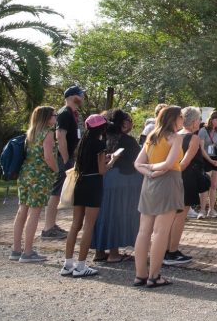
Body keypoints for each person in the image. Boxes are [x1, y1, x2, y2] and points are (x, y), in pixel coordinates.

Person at [133, 105, 183, 289]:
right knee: (160, 232)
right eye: (180, 118)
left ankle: (140, 274)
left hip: (149, 184)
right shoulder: (175, 138)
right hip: (168, 183)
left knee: (144, 231)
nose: (182, 122)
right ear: (173, 119)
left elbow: (137, 163)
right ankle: (154, 276)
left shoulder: (151, 137)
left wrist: (149, 171)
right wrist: (154, 169)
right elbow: (170, 164)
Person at [60, 114, 109, 278]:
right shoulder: (100, 144)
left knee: (75, 225)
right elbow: (102, 170)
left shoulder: (82, 143)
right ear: (101, 128)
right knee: (89, 226)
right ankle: (81, 266)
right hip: (94, 185)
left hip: (80, 184)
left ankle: (68, 263)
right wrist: (112, 161)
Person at [91, 109, 142, 263]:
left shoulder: (102, 139)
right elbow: (138, 162)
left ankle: (99, 251)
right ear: (123, 123)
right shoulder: (128, 141)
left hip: (103, 181)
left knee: (103, 216)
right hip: (123, 182)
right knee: (117, 215)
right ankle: (114, 253)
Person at [10, 106, 59, 262]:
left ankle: (16, 249)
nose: (56, 117)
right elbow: (48, 156)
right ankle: (28, 252)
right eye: (54, 115)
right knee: (34, 212)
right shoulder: (48, 133)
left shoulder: (30, 133)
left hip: (25, 174)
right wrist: (57, 170)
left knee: (22, 210)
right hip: (40, 176)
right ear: (47, 117)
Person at [163, 106, 204, 267]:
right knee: (180, 217)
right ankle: (172, 252)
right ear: (194, 122)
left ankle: (166, 249)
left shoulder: (173, 136)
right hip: (184, 180)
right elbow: (185, 162)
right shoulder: (193, 139)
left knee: (170, 217)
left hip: (170, 178)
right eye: (198, 120)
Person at [42, 84, 84, 239]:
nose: (83, 98)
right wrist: (66, 158)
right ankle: (48, 227)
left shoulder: (73, 114)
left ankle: (51, 225)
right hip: (63, 158)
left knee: (59, 192)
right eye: (80, 95)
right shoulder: (65, 113)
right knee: (56, 191)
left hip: (69, 157)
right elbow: (60, 136)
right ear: (73, 96)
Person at [198, 110, 217, 218]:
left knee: (214, 186)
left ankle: (211, 209)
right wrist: (211, 161)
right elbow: (201, 148)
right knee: (205, 185)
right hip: (206, 160)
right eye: (216, 119)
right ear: (211, 119)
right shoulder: (203, 131)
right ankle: (202, 210)